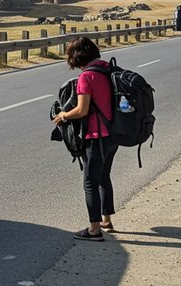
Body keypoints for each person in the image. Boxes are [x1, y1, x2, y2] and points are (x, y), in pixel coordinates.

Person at [51, 36, 118, 241]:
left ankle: (94, 229)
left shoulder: (86, 77)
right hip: (113, 134)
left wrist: (63, 115)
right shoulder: (108, 68)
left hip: (96, 136)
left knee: (90, 181)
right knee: (104, 176)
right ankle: (106, 220)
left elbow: (82, 110)